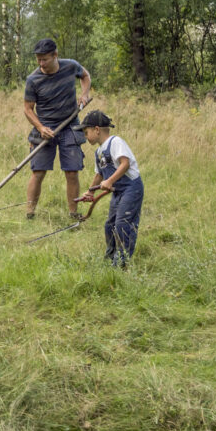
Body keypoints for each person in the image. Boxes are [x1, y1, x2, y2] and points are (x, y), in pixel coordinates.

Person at [23, 38, 92, 220]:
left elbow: (85, 76)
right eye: (38, 59)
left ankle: (73, 214)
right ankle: (30, 214)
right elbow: (28, 109)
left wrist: (85, 95)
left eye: (44, 59)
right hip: (44, 128)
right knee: (38, 172)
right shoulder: (33, 79)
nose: (41, 63)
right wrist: (40, 127)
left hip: (70, 125)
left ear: (55, 55)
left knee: (71, 171)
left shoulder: (71, 66)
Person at [80, 110, 144, 268]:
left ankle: (122, 264)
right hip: (118, 191)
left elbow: (125, 163)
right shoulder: (99, 151)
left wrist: (110, 181)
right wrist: (90, 191)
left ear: (97, 129)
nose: (85, 136)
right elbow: (99, 174)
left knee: (123, 224)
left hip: (131, 188)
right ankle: (110, 259)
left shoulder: (115, 142)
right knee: (110, 225)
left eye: (86, 132)